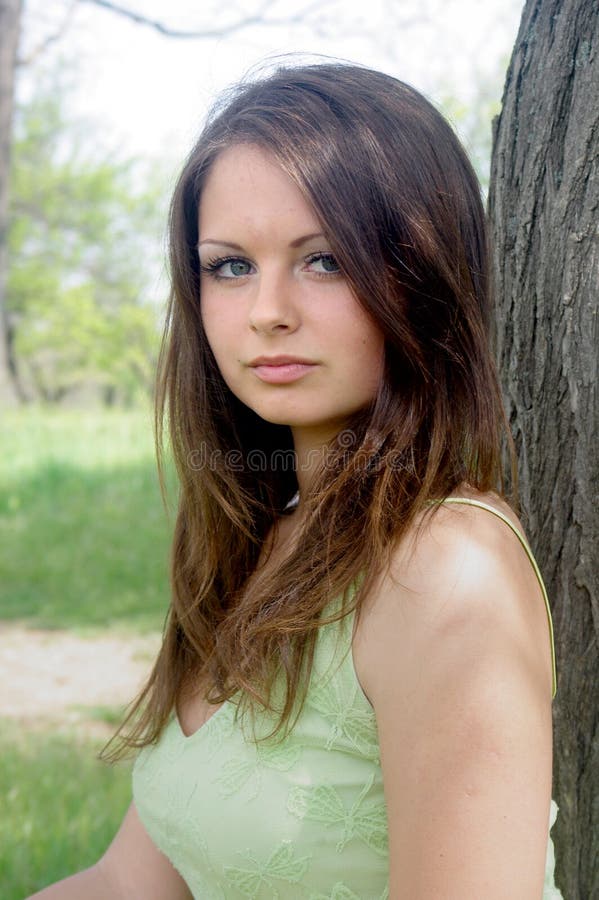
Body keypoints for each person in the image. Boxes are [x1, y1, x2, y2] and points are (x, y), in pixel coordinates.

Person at [31, 61, 558, 899]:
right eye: (230, 266)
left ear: (420, 276)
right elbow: (129, 883)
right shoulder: (259, 543)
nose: (267, 309)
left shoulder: (445, 572)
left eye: (323, 262)